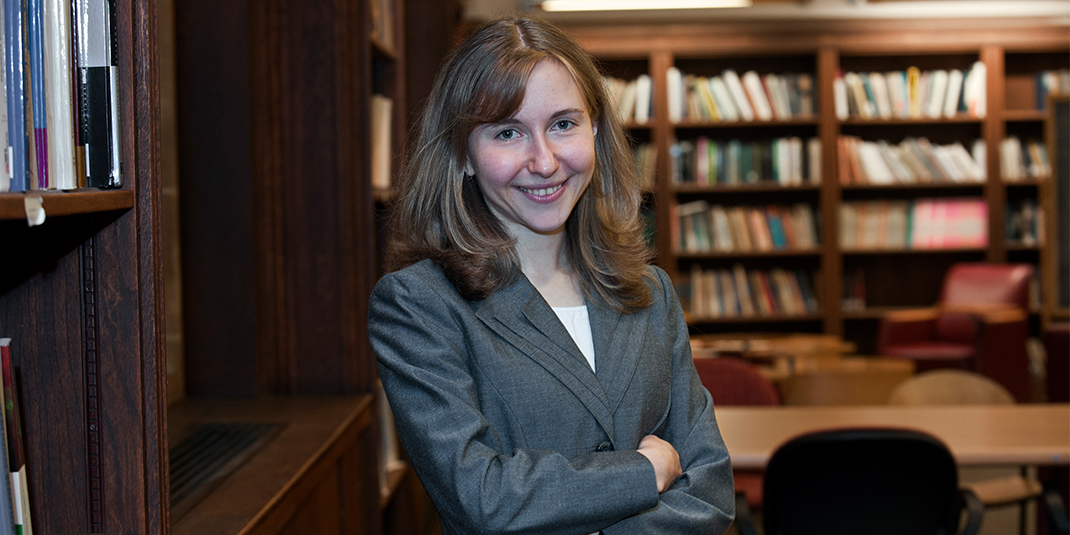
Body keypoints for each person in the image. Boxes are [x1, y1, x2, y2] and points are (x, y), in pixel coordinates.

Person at [368, 14, 734, 534]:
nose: (544, 161)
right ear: (462, 153)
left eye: (563, 124)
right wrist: (644, 472)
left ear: (597, 131)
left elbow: (712, 491)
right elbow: (482, 498)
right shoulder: (418, 304)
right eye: (508, 132)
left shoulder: (652, 293)